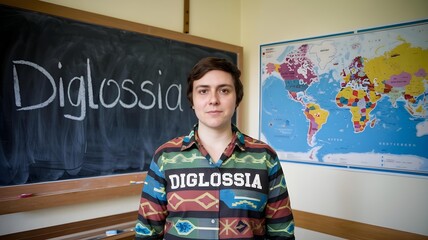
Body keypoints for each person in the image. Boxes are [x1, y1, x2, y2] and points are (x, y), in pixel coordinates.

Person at [135, 57, 295, 239]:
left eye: (224, 90)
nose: (213, 100)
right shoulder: (166, 157)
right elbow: (147, 233)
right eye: (203, 91)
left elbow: (282, 233)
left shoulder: (265, 157)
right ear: (192, 100)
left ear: (237, 99)